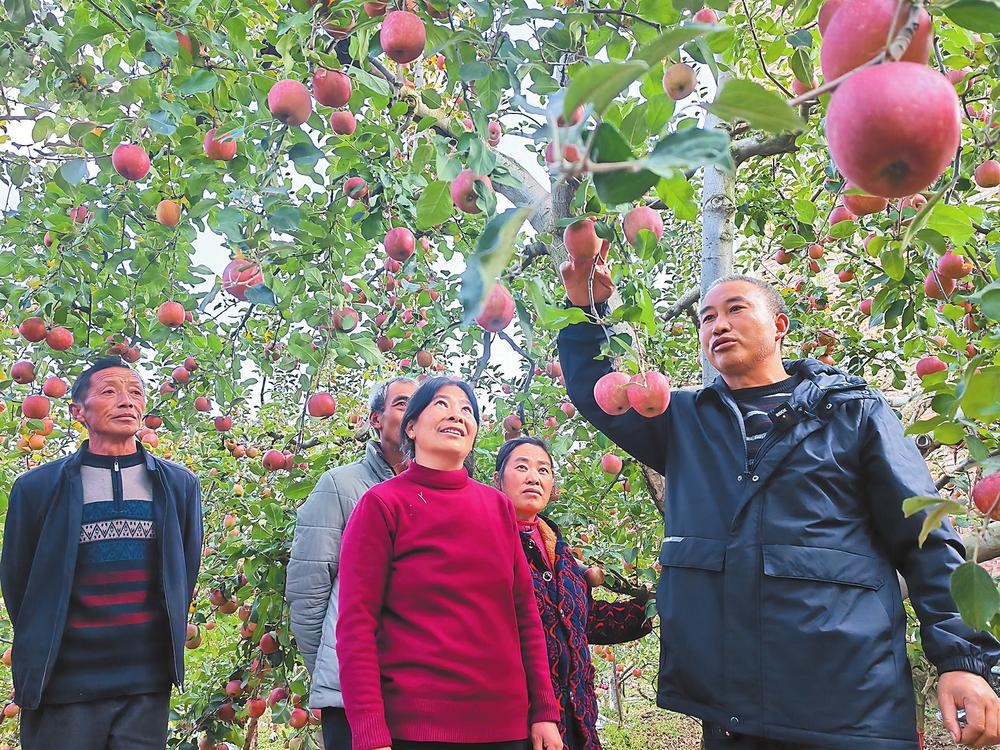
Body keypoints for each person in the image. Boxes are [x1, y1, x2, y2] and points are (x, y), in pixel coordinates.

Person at [556, 258, 1000, 750]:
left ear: (780, 326)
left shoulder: (850, 410)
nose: (718, 324)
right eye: (706, 317)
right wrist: (585, 308)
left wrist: (964, 660)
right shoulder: (683, 421)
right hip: (732, 711)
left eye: (735, 309)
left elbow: (924, 536)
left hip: (850, 702)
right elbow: (599, 395)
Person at [336, 376, 564, 750]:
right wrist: (369, 731)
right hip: (416, 729)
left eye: (467, 409)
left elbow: (524, 613)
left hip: (505, 727)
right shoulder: (382, 505)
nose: (456, 415)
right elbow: (356, 625)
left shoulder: (497, 507)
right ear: (411, 426)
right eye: (441, 404)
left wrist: (543, 711)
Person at [0, 356, 202, 749]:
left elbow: (183, 572)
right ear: (78, 411)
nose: (127, 401)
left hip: (145, 684)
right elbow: (20, 584)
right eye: (110, 391)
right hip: (62, 683)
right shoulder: (37, 488)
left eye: (136, 392)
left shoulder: (178, 485)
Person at [494, 437, 652, 750]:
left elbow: (585, 622)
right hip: (518, 724)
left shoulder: (563, 555)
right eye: (521, 467)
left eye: (543, 470)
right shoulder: (488, 545)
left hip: (577, 719)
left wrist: (653, 608)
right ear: (498, 480)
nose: (533, 477)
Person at [286, 376, 417, 750]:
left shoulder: (433, 495)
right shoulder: (340, 486)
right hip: (352, 696)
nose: (414, 413)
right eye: (402, 403)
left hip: (420, 692)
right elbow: (308, 590)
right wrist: (337, 669)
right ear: (376, 419)